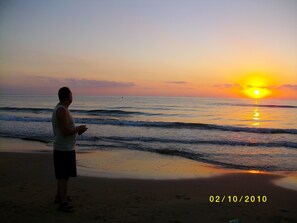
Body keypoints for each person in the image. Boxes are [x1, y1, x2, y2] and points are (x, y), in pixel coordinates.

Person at [52, 87, 87, 212]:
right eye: (71, 94)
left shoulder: (63, 109)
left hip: (66, 147)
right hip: (63, 149)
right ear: (68, 97)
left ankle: (60, 196)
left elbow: (66, 130)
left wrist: (77, 131)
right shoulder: (62, 110)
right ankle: (63, 202)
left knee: (64, 175)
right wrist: (78, 129)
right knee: (63, 176)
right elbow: (65, 131)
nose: (73, 97)